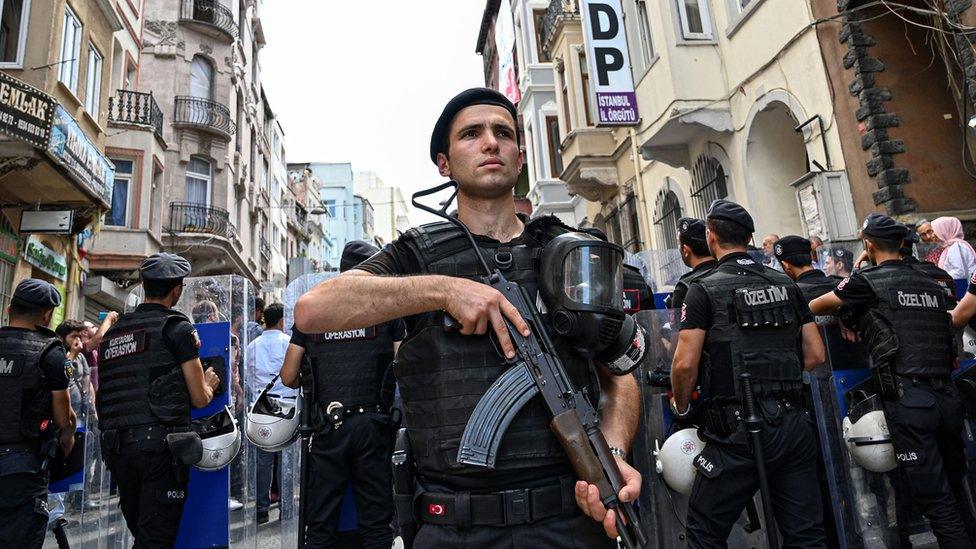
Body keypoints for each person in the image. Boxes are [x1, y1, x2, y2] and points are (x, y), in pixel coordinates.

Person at [293, 87, 641, 547]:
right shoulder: (418, 252)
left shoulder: (567, 252)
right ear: (444, 163)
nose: (491, 143)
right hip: (454, 523)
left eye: (504, 133)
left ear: (520, 157)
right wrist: (444, 289)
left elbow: (619, 376)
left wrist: (612, 453)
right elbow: (313, 309)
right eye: (472, 134)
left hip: (569, 515)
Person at [810, 214, 976, 547]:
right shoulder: (933, 279)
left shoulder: (866, 281)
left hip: (909, 400)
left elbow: (817, 305)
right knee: (958, 490)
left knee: (936, 501)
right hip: (946, 396)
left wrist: (857, 277)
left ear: (868, 245)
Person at [670, 200, 828, 547]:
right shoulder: (786, 284)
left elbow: (684, 364)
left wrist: (681, 407)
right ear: (750, 237)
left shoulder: (703, 288)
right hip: (791, 423)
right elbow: (815, 354)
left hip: (735, 431)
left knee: (704, 533)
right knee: (806, 534)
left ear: (711, 237)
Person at [280, 241, 403, 547]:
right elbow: (404, 365)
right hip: (373, 427)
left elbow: (287, 376)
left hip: (328, 428)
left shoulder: (314, 311)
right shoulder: (385, 310)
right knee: (376, 525)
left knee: (320, 527)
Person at [97, 253, 221, 546]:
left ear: (142, 284)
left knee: (143, 533)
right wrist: (211, 384)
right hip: (159, 451)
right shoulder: (176, 328)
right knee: (156, 539)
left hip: (117, 449)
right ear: (177, 289)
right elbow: (200, 398)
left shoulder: (114, 333)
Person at [0, 280, 76, 548]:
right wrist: (66, 439)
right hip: (22, 469)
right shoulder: (51, 353)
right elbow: (62, 419)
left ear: (10, 308)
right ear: (46, 315)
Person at [245, 302, 292, 524]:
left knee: (263, 461)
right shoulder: (288, 343)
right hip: (285, 408)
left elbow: (247, 376)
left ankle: (261, 510)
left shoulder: (252, 346)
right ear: (282, 321)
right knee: (285, 461)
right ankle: (286, 509)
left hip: (260, 408)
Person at [666, 217, 716, 311]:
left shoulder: (684, 287)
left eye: (679, 244)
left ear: (685, 250)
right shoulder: (729, 271)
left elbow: (678, 325)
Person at [931, 216, 976, 282]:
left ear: (944, 230)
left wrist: (940, 276)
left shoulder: (956, 247)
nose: (933, 235)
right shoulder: (952, 246)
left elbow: (960, 272)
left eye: (935, 231)